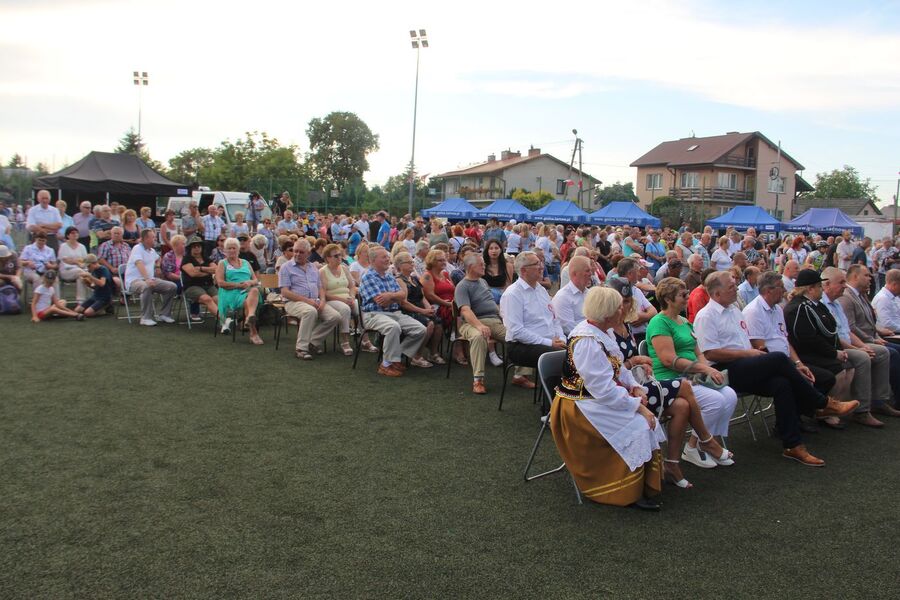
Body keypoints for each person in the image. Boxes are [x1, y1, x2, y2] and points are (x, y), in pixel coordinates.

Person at [693, 271, 858, 466]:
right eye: (731, 287)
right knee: (778, 358)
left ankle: (792, 445)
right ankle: (820, 403)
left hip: (746, 364)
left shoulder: (735, 310)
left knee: (782, 384)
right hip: (724, 371)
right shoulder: (706, 316)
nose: (736, 288)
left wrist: (795, 363)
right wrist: (750, 354)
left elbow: (758, 342)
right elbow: (711, 353)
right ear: (716, 294)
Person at [549, 287, 669, 510]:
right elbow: (603, 389)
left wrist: (634, 386)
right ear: (606, 313)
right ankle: (624, 491)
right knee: (639, 425)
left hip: (597, 399)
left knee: (643, 423)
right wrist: (638, 407)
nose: (622, 310)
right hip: (580, 407)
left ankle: (643, 484)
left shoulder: (604, 332)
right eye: (618, 307)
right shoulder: (586, 341)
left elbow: (618, 367)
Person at [645, 277, 738, 471]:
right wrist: (704, 369)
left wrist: (707, 371)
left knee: (729, 395)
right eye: (683, 294)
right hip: (671, 381)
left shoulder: (685, 321)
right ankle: (703, 444)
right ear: (669, 299)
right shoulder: (659, 323)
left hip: (692, 376)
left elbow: (698, 353)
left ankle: (695, 445)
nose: (688, 297)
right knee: (715, 401)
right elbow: (669, 360)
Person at [780, 269, 879, 427]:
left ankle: (845, 407)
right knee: (837, 369)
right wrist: (834, 353)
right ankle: (826, 410)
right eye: (819, 286)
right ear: (810, 288)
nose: (822, 289)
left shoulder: (816, 305)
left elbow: (830, 331)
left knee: (852, 364)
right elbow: (808, 339)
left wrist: (837, 351)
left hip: (821, 351)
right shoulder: (798, 308)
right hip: (806, 355)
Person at [821, 267, 900, 419]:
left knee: (882, 352)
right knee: (864, 357)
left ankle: (878, 401)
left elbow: (848, 331)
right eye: (841, 282)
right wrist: (860, 347)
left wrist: (863, 346)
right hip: (837, 348)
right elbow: (835, 337)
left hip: (852, 343)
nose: (844, 285)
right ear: (827, 285)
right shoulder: (831, 302)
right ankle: (862, 411)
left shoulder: (837, 303)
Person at [499, 251, 565, 389]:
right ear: (524, 270)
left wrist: (561, 338)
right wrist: (549, 342)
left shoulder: (540, 289)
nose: (542, 267)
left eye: (540, 263)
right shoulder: (513, 294)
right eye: (536, 264)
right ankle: (552, 407)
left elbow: (554, 320)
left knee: (578, 351)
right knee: (560, 359)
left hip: (546, 342)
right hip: (520, 347)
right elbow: (516, 331)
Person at [359, 246, 427, 377]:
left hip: (394, 313)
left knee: (421, 329)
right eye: (383, 257)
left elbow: (402, 296)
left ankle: (395, 358)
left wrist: (390, 296)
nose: (387, 259)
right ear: (373, 260)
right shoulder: (368, 277)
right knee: (393, 327)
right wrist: (395, 296)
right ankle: (385, 365)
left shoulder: (389, 276)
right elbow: (380, 301)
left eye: (387, 256)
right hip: (374, 314)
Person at [278, 239, 340, 359]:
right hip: (293, 302)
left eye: (301, 252)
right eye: (295, 251)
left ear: (308, 253)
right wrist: (307, 301)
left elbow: (320, 287)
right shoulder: (286, 267)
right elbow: (284, 292)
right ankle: (301, 348)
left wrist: (322, 300)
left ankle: (312, 342)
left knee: (335, 317)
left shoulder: (313, 267)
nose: (297, 254)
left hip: (314, 301)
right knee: (310, 311)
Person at [124, 228, 177, 327]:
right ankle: (145, 318)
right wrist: (147, 279)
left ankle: (164, 314)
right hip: (134, 281)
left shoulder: (152, 250)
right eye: (153, 237)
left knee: (172, 286)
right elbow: (139, 263)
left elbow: (158, 258)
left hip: (150, 279)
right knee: (146, 286)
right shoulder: (137, 248)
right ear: (145, 239)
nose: (155, 239)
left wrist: (157, 266)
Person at [393, 252, 437, 368]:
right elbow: (404, 303)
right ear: (400, 265)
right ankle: (416, 356)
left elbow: (422, 297)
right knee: (430, 323)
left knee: (439, 321)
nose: (412, 263)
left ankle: (433, 353)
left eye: (412, 261)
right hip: (407, 311)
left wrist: (429, 308)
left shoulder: (414, 278)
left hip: (419, 309)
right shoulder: (399, 280)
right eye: (409, 262)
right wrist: (423, 311)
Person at [215, 237, 263, 344]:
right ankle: (253, 330)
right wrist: (238, 285)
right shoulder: (222, 263)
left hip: (247, 291)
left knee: (254, 291)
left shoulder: (245, 262)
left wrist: (249, 283)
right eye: (229, 248)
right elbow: (220, 283)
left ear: (238, 250)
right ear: (225, 251)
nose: (232, 250)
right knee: (249, 299)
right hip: (230, 293)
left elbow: (255, 279)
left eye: (234, 248)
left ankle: (250, 317)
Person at [319, 242, 360, 356]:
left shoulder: (344, 268)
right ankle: (345, 342)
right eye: (335, 256)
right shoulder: (322, 271)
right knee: (345, 309)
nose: (339, 257)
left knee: (360, 306)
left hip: (347, 298)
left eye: (340, 254)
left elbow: (352, 286)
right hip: (332, 300)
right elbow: (324, 293)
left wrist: (351, 297)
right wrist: (343, 300)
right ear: (328, 258)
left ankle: (365, 339)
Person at [421, 249, 461, 362]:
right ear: (432, 261)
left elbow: (455, 290)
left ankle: (458, 342)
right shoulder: (427, 276)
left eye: (444, 259)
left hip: (450, 304)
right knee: (457, 314)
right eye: (440, 260)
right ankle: (455, 343)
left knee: (465, 311)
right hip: (436, 306)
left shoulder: (446, 274)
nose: (444, 262)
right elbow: (430, 296)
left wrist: (455, 302)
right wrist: (448, 304)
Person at [552, 256, 592, 336]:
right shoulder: (562, 297)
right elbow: (569, 328)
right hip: (580, 340)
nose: (591, 274)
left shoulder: (590, 293)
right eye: (587, 271)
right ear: (574, 274)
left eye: (590, 270)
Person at [180, 236, 218, 319]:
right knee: (207, 299)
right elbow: (193, 274)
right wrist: (209, 272)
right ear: (190, 248)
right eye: (194, 246)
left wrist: (201, 268)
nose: (196, 248)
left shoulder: (206, 259)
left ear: (202, 247)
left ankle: (223, 321)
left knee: (218, 299)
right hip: (192, 286)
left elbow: (216, 269)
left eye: (198, 246)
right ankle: (224, 320)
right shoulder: (187, 259)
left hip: (209, 285)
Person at [20, 232, 59, 296]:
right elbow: (20, 262)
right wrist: (28, 263)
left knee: (54, 278)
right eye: (39, 240)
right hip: (31, 271)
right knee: (37, 278)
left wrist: (50, 266)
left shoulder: (50, 250)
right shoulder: (28, 248)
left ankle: (56, 301)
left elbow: (55, 265)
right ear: (36, 239)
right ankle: (37, 301)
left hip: (45, 271)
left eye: (43, 241)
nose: (41, 242)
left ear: (46, 241)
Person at [57, 226, 89, 303]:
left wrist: (80, 263)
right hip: (66, 271)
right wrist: (77, 262)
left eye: (76, 233)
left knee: (81, 277)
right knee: (81, 273)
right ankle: (91, 283)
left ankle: (81, 301)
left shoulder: (82, 246)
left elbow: (85, 260)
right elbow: (65, 260)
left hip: (80, 271)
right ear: (68, 235)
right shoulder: (63, 246)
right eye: (72, 233)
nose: (75, 234)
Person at [482, 239, 513, 303]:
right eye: (491, 248)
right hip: (486, 296)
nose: (494, 251)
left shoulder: (508, 266)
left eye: (496, 248)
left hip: (502, 295)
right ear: (487, 251)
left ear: (501, 250)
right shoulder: (482, 266)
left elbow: (509, 285)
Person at [872, 268, 900, 334]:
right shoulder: (883, 299)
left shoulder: (894, 297)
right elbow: (887, 324)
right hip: (890, 334)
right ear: (894, 285)